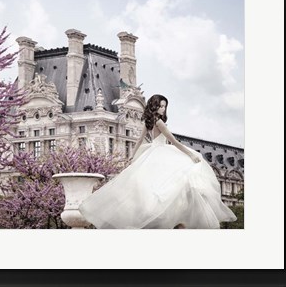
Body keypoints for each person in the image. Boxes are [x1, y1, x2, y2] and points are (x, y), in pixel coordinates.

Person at [78, 94, 237, 229]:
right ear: (155, 107)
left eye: (165, 106)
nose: (163, 109)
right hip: (161, 151)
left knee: (154, 188)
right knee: (179, 182)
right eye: (161, 106)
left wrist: (131, 159)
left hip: (151, 153)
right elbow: (174, 141)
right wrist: (191, 154)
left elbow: (139, 141)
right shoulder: (159, 122)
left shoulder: (148, 121)